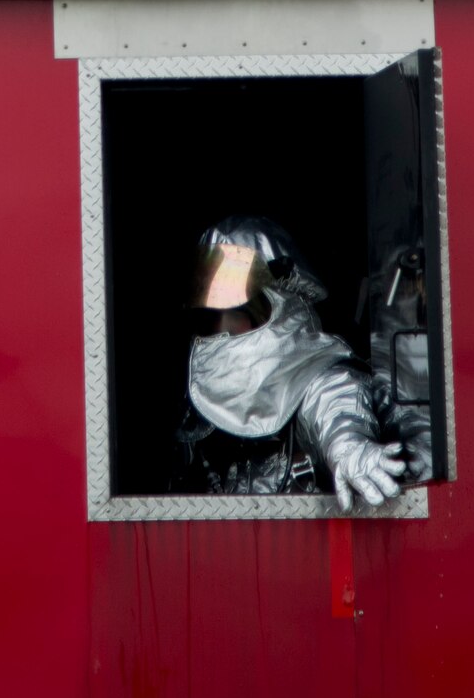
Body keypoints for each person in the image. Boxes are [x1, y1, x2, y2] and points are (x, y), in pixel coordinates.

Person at [174, 216, 407, 507]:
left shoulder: (320, 377)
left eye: (238, 311)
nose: (223, 328)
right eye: (210, 316)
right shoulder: (198, 408)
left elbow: (335, 407)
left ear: (283, 302)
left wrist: (349, 449)